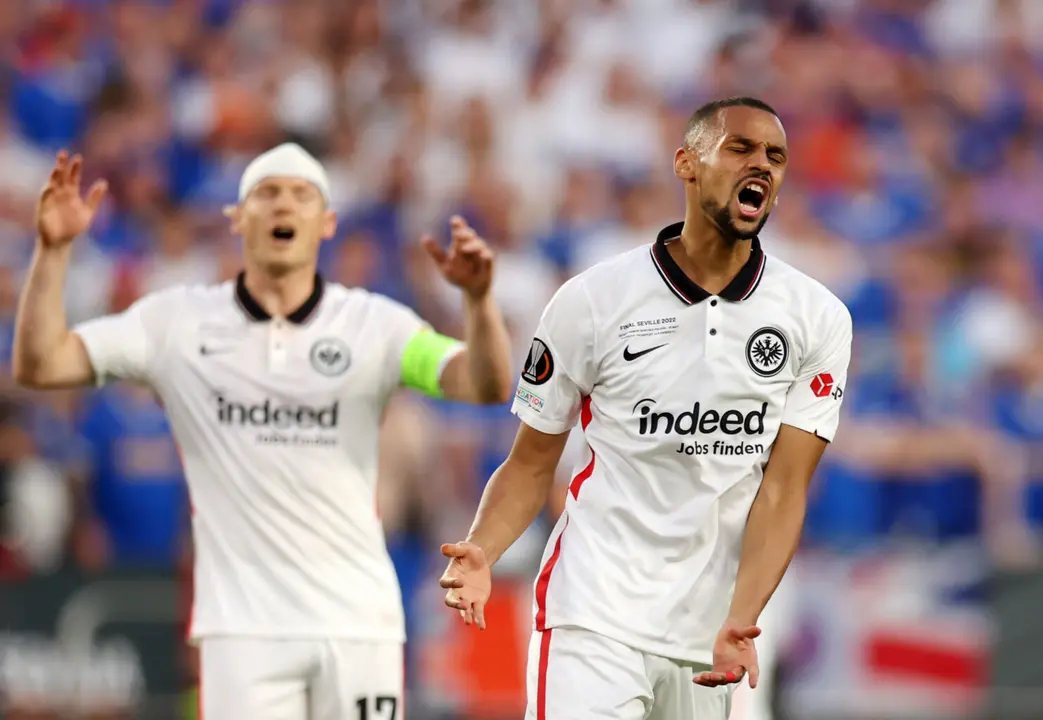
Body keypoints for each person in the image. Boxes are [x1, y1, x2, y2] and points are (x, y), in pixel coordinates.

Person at [13, 142, 514, 719]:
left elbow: (483, 384)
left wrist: (479, 303)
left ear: (326, 222)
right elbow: (42, 364)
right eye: (267, 192)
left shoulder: (375, 324)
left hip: (356, 623)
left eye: (302, 195)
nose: (284, 205)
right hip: (241, 632)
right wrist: (52, 252)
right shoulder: (176, 323)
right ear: (236, 217)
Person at [438, 97, 853, 720]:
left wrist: (742, 618)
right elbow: (530, 463)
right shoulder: (591, 300)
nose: (761, 166)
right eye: (740, 148)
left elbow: (783, 490)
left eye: (776, 156)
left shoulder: (816, 317)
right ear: (687, 163)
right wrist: (482, 548)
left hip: (707, 631)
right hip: (594, 611)